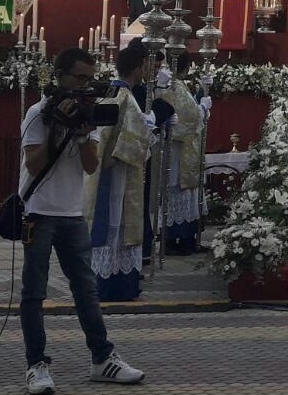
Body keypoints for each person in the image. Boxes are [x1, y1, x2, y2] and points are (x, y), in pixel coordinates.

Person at [19, 47, 144, 395]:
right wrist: (58, 128)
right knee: (34, 291)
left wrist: (81, 130)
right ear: (60, 76)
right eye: (80, 78)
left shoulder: (88, 114)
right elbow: (33, 164)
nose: (86, 86)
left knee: (86, 289)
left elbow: (91, 166)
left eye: (91, 79)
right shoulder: (37, 114)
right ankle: (36, 364)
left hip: (72, 213)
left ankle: (102, 359)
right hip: (39, 211)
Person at [87, 40, 151, 303]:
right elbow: (132, 144)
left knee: (110, 227)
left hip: (106, 171)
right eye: (145, 66)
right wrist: (152, 131)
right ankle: (116, 287)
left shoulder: (111, 92)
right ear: (137, 69)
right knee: (118, 228)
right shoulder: (127, 98)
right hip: (121, 176)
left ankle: (108, 281)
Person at [162, 54, 208, 254]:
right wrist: (204, 108)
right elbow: (190, 118)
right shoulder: (176, 86)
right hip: (179, 155)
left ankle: (182, 239)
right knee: (180, 193)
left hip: (181, 153)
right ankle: (179, 240)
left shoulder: (176, 85)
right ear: (186, 67)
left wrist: (199, 96)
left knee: (182, 195)